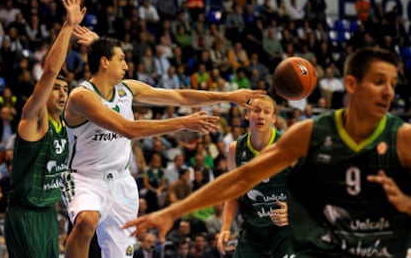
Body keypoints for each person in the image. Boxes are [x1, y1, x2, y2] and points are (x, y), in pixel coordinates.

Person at [124, 47, 411, 258]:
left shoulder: (403, 138)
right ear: (351, 84)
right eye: (379, 82)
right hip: (273, 237)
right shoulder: (309, 135)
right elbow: (240, 181)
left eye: (393, 85)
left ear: (274, 117)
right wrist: (173, 211)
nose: (389, 92)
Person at [62, 26, 266, 258]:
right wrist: (182, 122)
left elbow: (179, 96)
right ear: (104, 63)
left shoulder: (127, 89)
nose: (127, 66)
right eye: (122, 60)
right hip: (85, 178)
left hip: (121, 182)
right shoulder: (81, 96)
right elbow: (128, 129)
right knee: (86, 220)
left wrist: (227, 96)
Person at [4, 0, 86, 258]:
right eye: (57, 89)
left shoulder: (64, 122)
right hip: (25, 215)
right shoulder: (35, 119)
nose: (63, 93)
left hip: (48, 214)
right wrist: (69, 25)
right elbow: (50, 70)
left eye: (66, 89)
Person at [217, 96, 294, 258]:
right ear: (247, 114)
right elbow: (233, 195)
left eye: (267, 112)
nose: (261, 116)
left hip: (284, 234)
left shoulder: (288, 146)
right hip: (253, 233)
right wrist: (225, 227)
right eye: (256, 110)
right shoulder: (235, 149)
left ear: (274, 118)